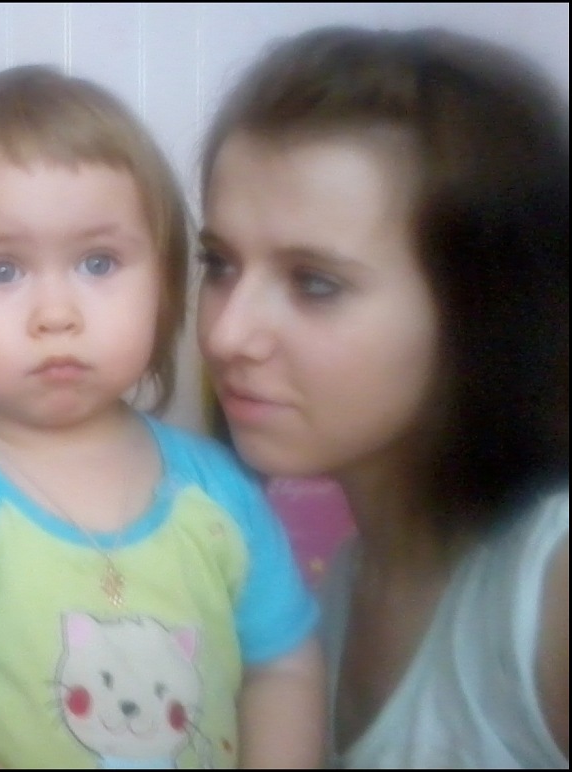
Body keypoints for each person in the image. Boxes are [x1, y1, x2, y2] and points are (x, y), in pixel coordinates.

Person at [0, 65, 324, 769]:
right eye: (2, 270)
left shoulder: (219, 492)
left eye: (98, 262)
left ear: (164, 282)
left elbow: (283, 670)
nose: (56, 314)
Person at [196, 25, 568, 769]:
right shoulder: (318, 599)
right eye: (219, 264)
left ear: (479, 308)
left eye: (314, 283)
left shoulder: (549, 594)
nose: (227, 334)